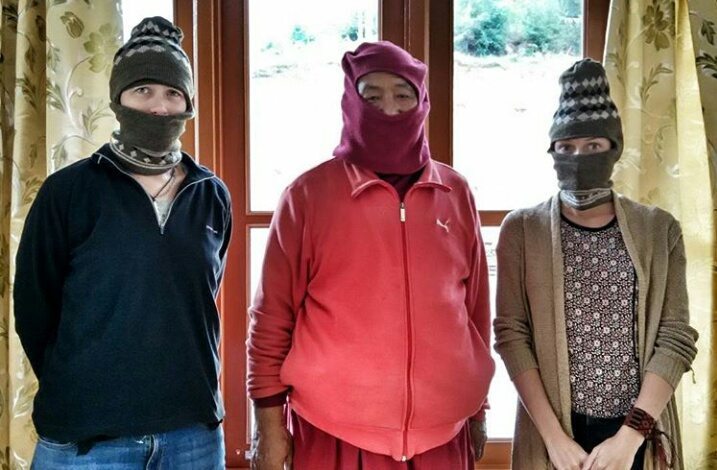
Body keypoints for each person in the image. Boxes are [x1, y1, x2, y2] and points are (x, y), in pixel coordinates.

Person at [247, 41, 495, 469]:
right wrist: (269, 425)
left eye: (403, 95)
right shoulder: (308, 196)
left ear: (423, 103)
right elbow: (271, 318)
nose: (390, 109)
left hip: (442, 437)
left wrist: (477, 406)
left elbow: (475, 312)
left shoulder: (456, 193)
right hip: (333, 435)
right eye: (372, 95)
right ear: (350, 102)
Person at [14, 17, 231, 469]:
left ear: (188, 103)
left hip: (192, 437)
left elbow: (199, 299)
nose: (158, 106)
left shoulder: (212, 194)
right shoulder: (68, 192)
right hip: (87, 442)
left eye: (173, 93)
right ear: (118, 98)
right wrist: (78, 386)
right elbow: (35, 309)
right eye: (144, 90)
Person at [494, 58, 698, 470]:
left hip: (639, 432)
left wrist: (629, 439)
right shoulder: (521, 230)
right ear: (551, 150)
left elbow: (675, 337)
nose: (577, 158)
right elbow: (512, 336)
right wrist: (554, 440)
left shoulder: (659, 230)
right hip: (556, 436)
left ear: (614, 148)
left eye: (592, 146)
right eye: (566, 147)